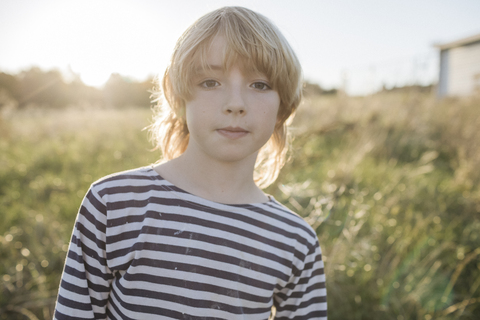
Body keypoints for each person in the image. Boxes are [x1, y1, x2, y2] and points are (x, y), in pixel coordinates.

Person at [54, 6, 327, 320]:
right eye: (210, 82)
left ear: (283, 108)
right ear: (179, 97)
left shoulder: (295, 240)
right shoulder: (114, 203)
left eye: (260, 85)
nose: (235, 104)